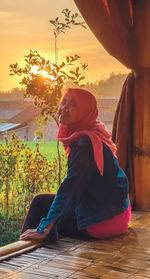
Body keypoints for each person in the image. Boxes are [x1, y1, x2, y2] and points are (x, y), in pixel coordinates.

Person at [20, 88, 131, 242]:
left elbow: (69, 189)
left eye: (72, 105)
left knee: (45, 214)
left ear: (85, 112)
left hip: (103, 222)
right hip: (117, 214)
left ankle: (21, 253)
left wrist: (43, 227)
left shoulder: (85, 144)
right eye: (63, 102)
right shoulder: (93, 133)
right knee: (42, 202)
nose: (64, 108)